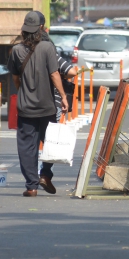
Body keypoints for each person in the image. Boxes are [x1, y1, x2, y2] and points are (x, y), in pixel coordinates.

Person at [7, 11, 68, 197]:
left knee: (27, 147)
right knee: (50, 143)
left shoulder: (16, 51)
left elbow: (16, 79)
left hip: (26, 108)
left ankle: (31, 186)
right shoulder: (48, 48)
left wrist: (24, 91)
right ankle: (45, 174)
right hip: (47, 106)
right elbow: (54, 74)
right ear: (41, 28)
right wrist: (63, 96)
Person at [34, 11, 77, 122]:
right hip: (51, 103)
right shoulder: (50, 53)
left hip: (30, 105)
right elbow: (71, 72)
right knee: (50, 136)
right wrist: (63, 96)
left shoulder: (22, 53)